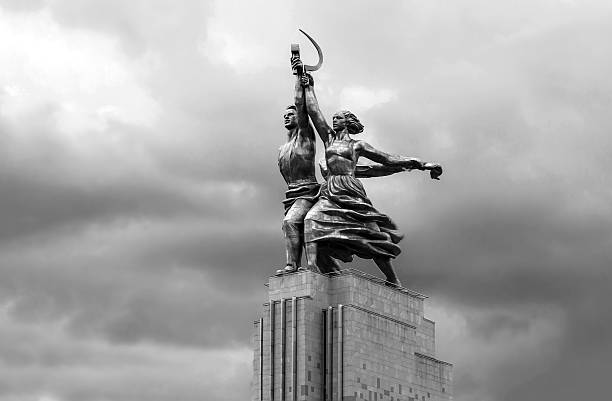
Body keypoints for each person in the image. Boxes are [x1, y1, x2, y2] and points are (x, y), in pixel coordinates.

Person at [300, 73, 443, 286]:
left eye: (338, 118)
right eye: (334, 118)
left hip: (351, 189)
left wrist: (421, 164)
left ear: (347, 123)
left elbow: (388, 159)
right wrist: (308, 87)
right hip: (330, 190)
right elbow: (314, 112)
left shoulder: (358, 146)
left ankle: (392, 278)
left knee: (372, 235)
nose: (333, 120)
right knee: (310, 220)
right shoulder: (328, 138)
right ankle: (312, 267)